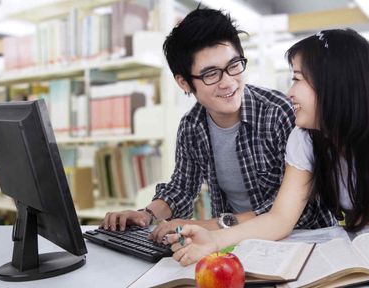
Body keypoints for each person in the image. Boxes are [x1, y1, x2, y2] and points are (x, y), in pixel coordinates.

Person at [168, 28, 369, 266]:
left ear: (332, 86)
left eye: (298, 79)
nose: (290, 92)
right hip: (363, 257)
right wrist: (215, 239)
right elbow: (280, 218)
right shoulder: (305, 138)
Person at [99, 7, 336, 240]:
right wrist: (145, 215)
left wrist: (209, 226)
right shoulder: (192, 126)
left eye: (234, 66)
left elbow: (298, 210)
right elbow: (182, 188)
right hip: (238, 242)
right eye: (211, 74)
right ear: (184, 83)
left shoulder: (279, 113)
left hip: (307, 240)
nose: (228, 82)